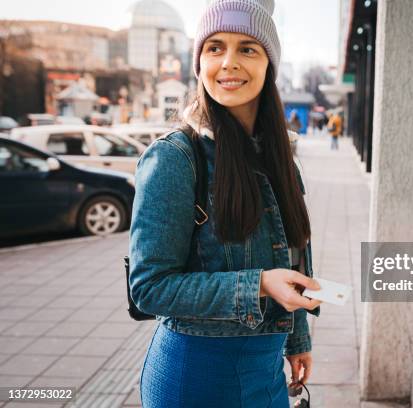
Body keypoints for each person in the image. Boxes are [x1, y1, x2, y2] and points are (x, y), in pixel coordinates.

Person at [128, 1, 322, 406]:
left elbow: (292, 256)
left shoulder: (278, 155)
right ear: (199, 63)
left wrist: (297, 338)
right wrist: (260, 284)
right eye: (215, 48)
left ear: (269, 62)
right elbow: (149, 288)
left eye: (247, 48)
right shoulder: (176, 157)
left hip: (266, 374)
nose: (229, 62)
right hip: (195, 375)